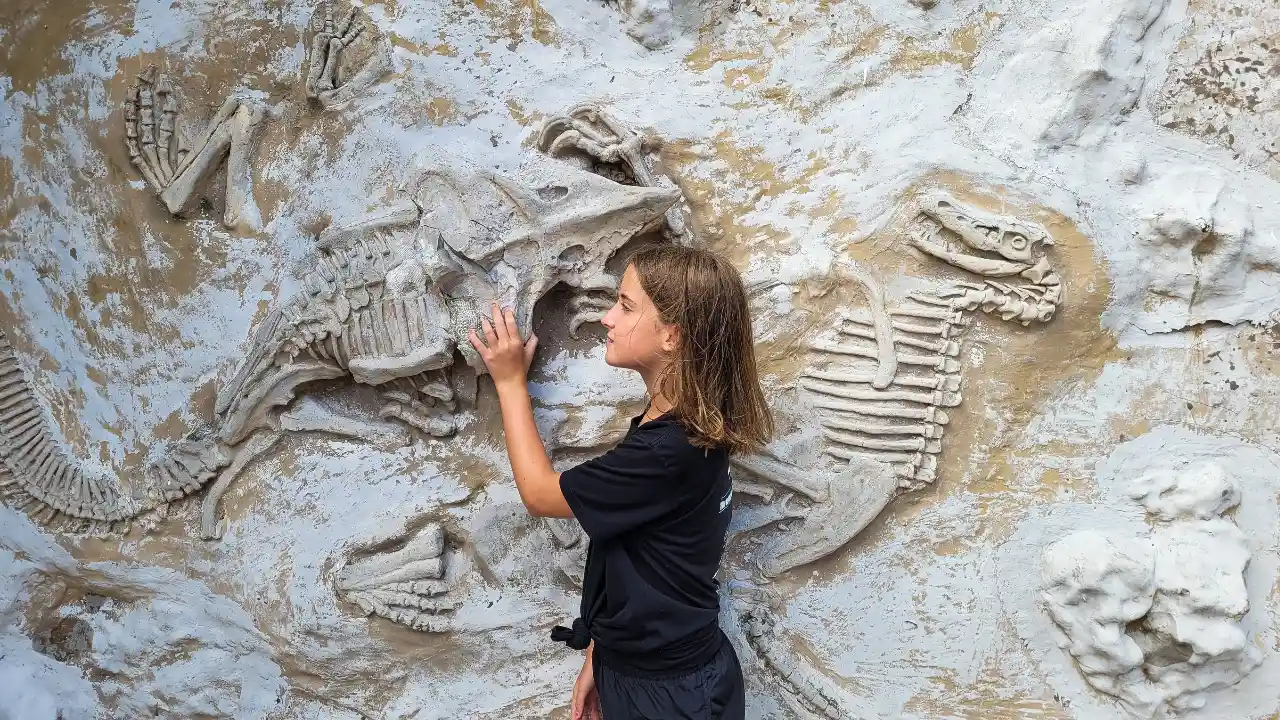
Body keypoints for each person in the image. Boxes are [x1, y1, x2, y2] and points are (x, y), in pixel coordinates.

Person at [467, 244, 774, 720]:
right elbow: (638, 551)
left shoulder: (665, 452)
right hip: (658, 672)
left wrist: (509, 383)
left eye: (626, 306)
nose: (608, 318)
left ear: (672, 335)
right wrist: (602, 655)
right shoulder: (686, 424)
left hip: (671, 695)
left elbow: (540, 493)